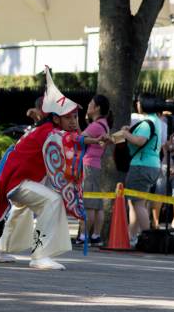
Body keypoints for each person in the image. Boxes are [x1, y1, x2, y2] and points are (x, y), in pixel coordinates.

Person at [0, 67, 111, 270]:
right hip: (19, 182)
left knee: (20, 211)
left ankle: (2, 251)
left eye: (75, 117)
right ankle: (40, 255)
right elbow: (70, 138)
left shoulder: (43, 130)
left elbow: (69, 138)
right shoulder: (50, 132)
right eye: (68, 117)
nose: (73, 121)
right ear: (55, 118)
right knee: (53, 201)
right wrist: (94, 139)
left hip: (16, 182)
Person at [121, 92, 162, 246]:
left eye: (138, 102)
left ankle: (148, 239)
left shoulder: (147, 122)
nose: (137, 105)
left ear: (145, 104)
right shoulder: (155, 120)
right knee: (138, 203)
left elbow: (139, 140)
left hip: (142, 166)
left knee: (137, 204)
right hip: (152, 165)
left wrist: (125, 133)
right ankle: (133, 237)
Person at [74, 94, 113, 247]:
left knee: (89, 202)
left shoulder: (96, 125)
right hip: (95, 166)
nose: (88, 105)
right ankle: (96, 236)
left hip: (88, 165)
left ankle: (84, 236)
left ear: (97, 108)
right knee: (96, 202)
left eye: (90, 103)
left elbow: (78, 139)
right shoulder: (103, 124)